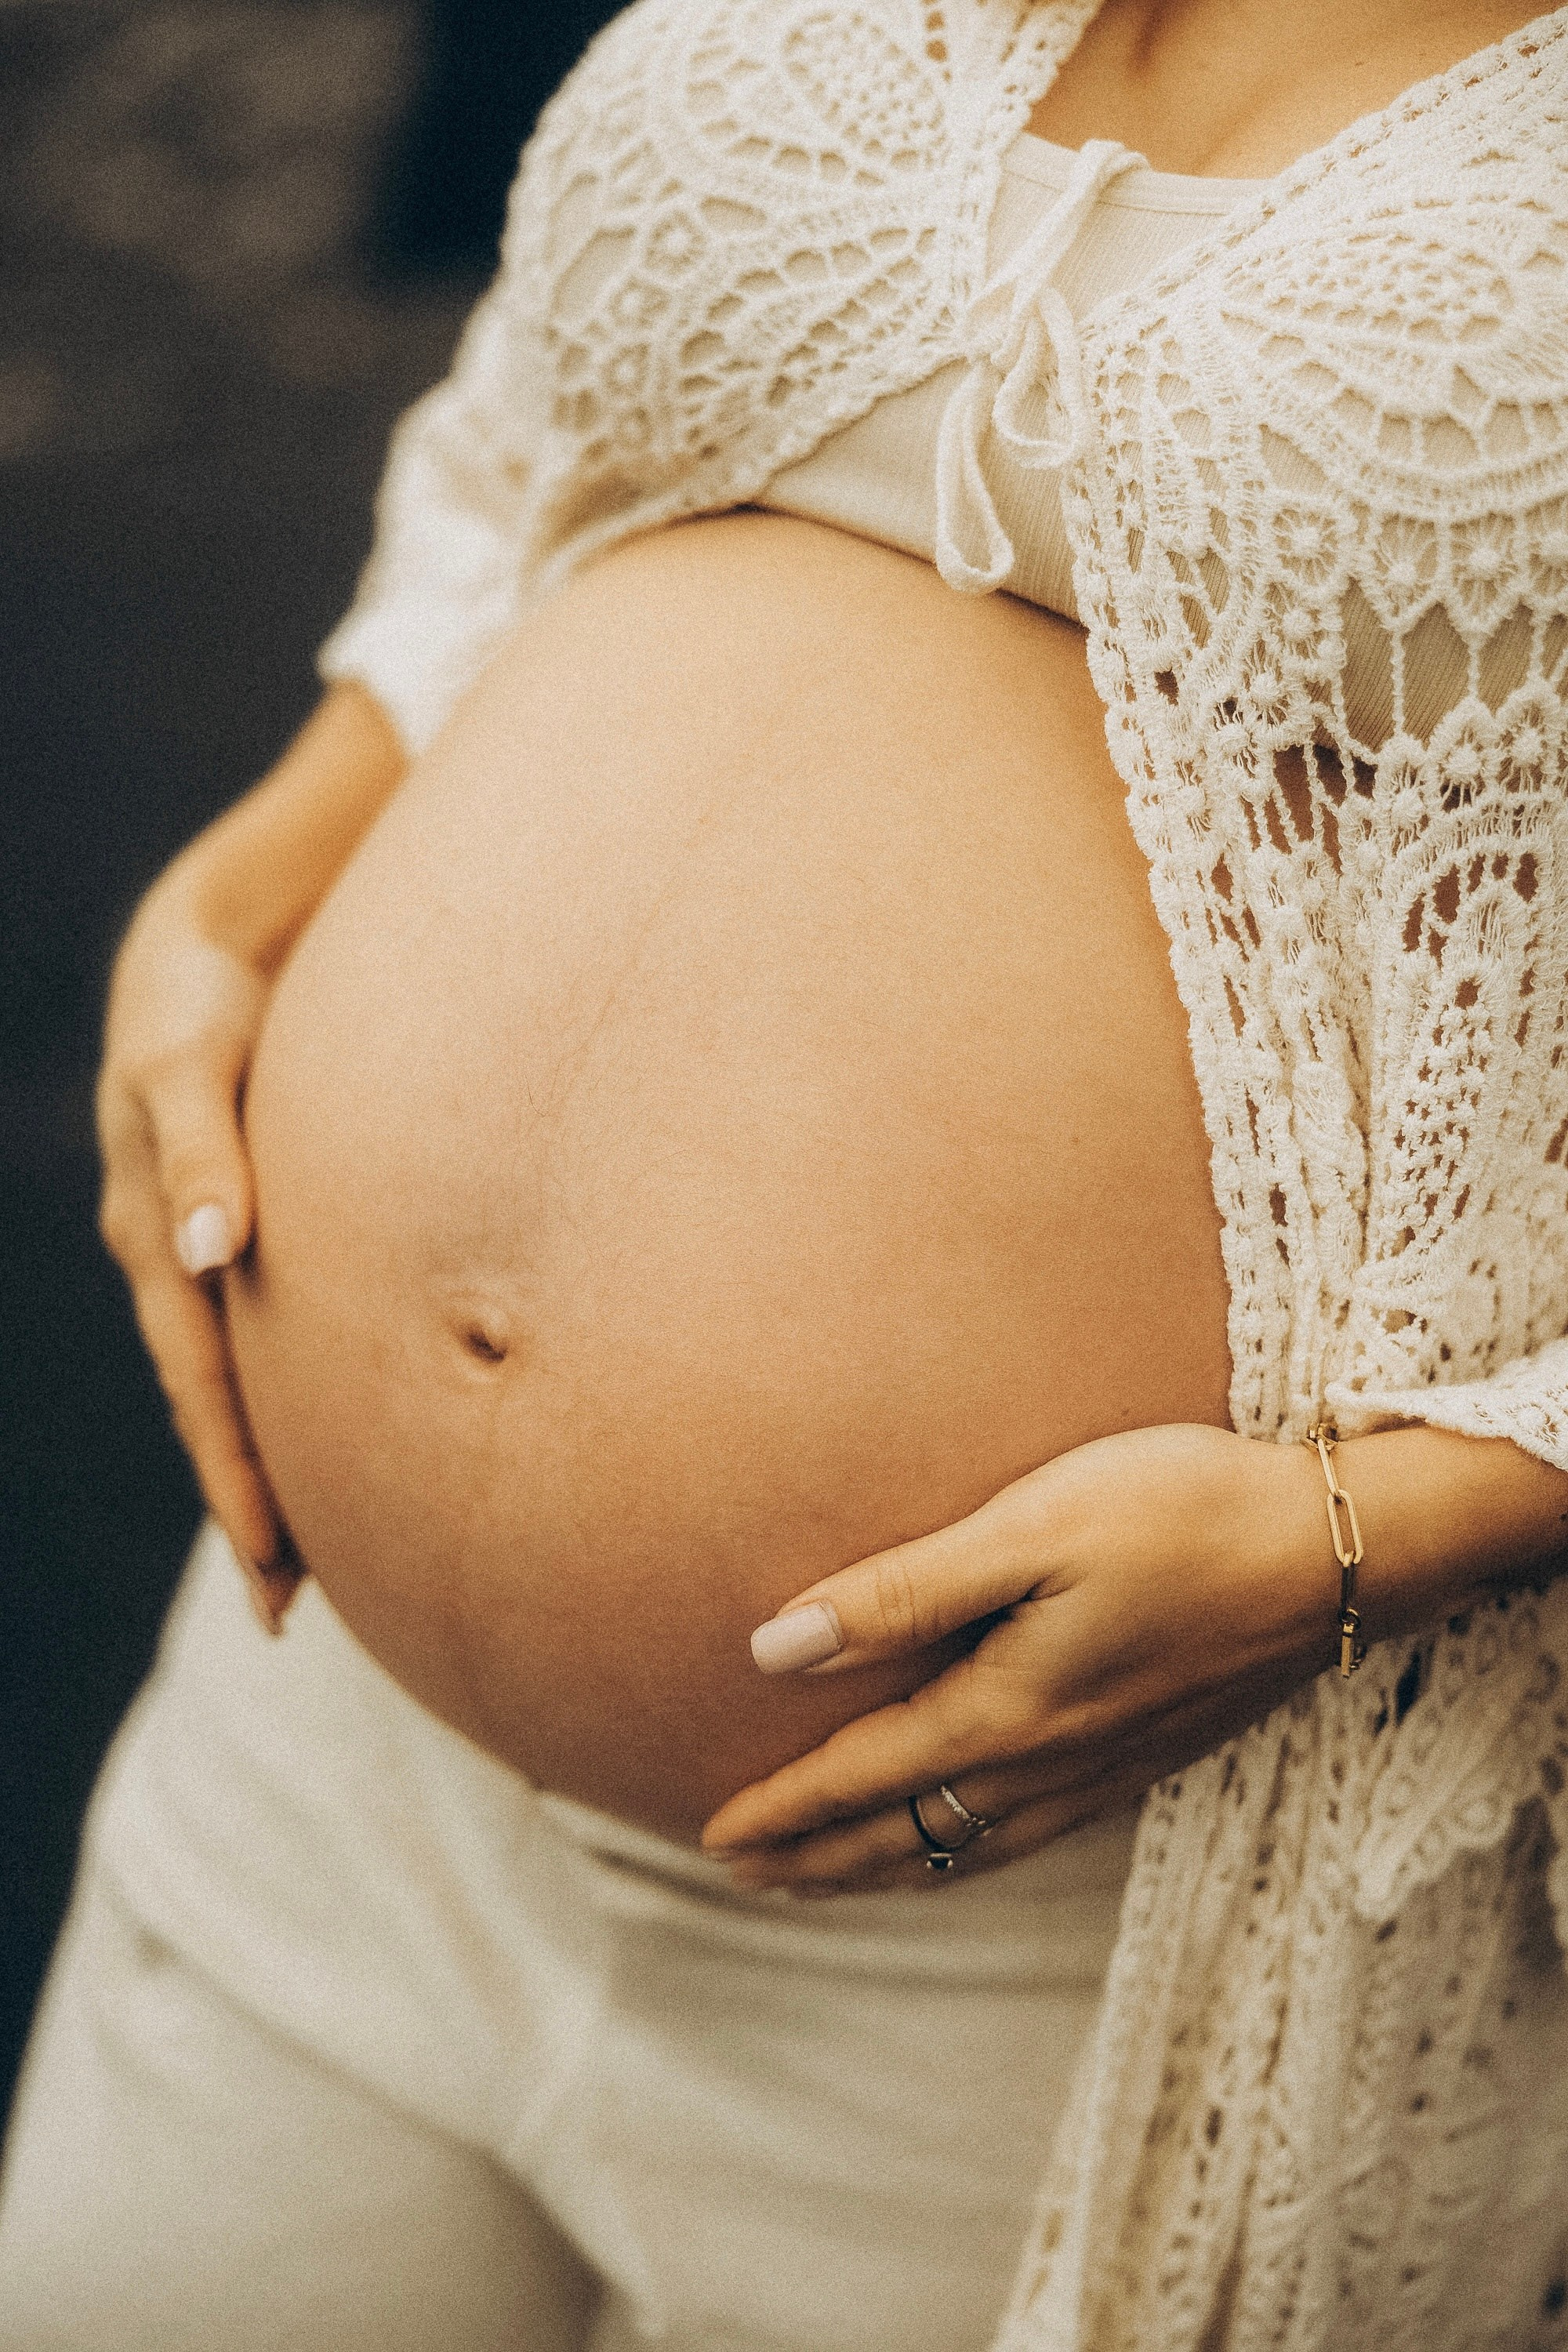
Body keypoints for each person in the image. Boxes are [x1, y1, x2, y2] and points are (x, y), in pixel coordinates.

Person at [5, 2, 1568, 2346]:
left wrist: (1385, 1529)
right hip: (327, 1743)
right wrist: (247, 883)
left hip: (1068, 1899)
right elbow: (539, 443)